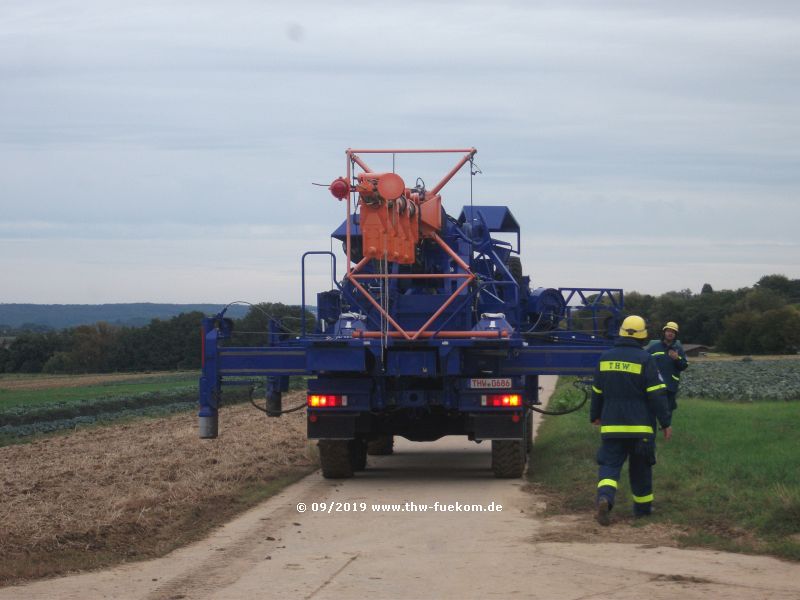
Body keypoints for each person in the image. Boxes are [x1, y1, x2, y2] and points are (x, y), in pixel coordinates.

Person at [590, 315, 672, 526]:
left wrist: (595, 416)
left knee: (609, 466)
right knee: (641, 469)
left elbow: (597, 392)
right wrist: (665, 422)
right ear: (643, 336)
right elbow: (656, 395)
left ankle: (605, 498)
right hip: (640, 428)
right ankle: (643, 510)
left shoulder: (605, 358)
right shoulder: (646, 359)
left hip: (611, 425)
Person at [646, 321, 689, 415]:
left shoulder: (679, 349)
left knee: (668, 411)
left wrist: (677, 358)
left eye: (673, 332)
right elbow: (645, 362)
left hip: (671, 386)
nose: (670, 333)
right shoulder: (654, 348)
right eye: (668, 331)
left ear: (675, 335)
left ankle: (665, 427)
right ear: (664, 332)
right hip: (655, 386)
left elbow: (684, 366)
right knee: (651, 410)